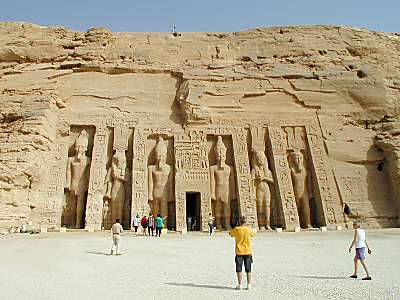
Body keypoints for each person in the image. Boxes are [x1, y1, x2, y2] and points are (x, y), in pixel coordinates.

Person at [229, 216, 255, 290]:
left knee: (239, 269)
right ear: (245, 222)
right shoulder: (248, 229)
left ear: (239, 222)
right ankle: (249, 285)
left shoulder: (236, 229)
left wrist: (236, 227)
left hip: (239, 252)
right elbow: (253, 234)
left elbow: (230, 234)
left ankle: (240, 285)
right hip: (248, 251)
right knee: (248, 269)